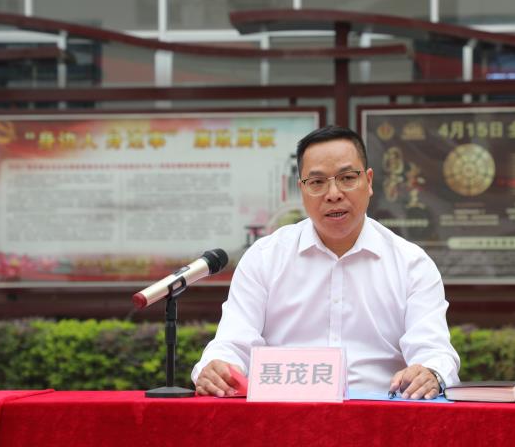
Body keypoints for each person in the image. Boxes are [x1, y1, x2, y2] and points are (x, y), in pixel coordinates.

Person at [192, 126, 460, 399]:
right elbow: (231, 344)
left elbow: (434, 352)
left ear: (368, 181)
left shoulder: (411, 264)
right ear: (302, 189)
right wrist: (216, 367)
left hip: (379, 414)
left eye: (347, 178)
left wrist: (429, 372)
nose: (333, 194)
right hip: (283, 411)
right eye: (317, 182)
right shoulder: (265, 258)